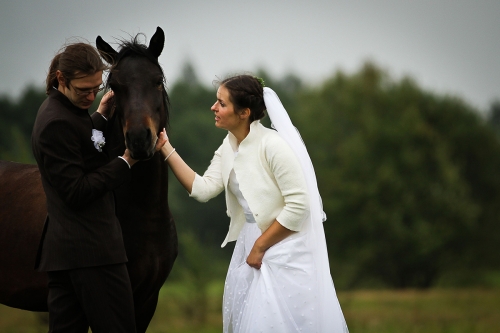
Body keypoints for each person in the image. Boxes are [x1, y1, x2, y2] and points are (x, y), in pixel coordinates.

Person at [157, 75, 348, 332]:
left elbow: (300, 206)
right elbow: (202, 189)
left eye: (221, 104)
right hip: (250, 243)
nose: (213, 108)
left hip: (285, 247)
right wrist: (165, 147)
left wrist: (260, 245)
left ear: (244, 112)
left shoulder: (273, 146)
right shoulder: (228, 146)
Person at [31, 42, 138, 333]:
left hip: (70, 254)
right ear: (61, 79)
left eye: (96, 88)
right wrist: (125, 161)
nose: (91, 96)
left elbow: (78, 143)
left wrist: (100, 117)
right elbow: (76, 191)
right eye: (83, 90)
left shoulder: (64, 109)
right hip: (92, 254)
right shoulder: (55, 122)